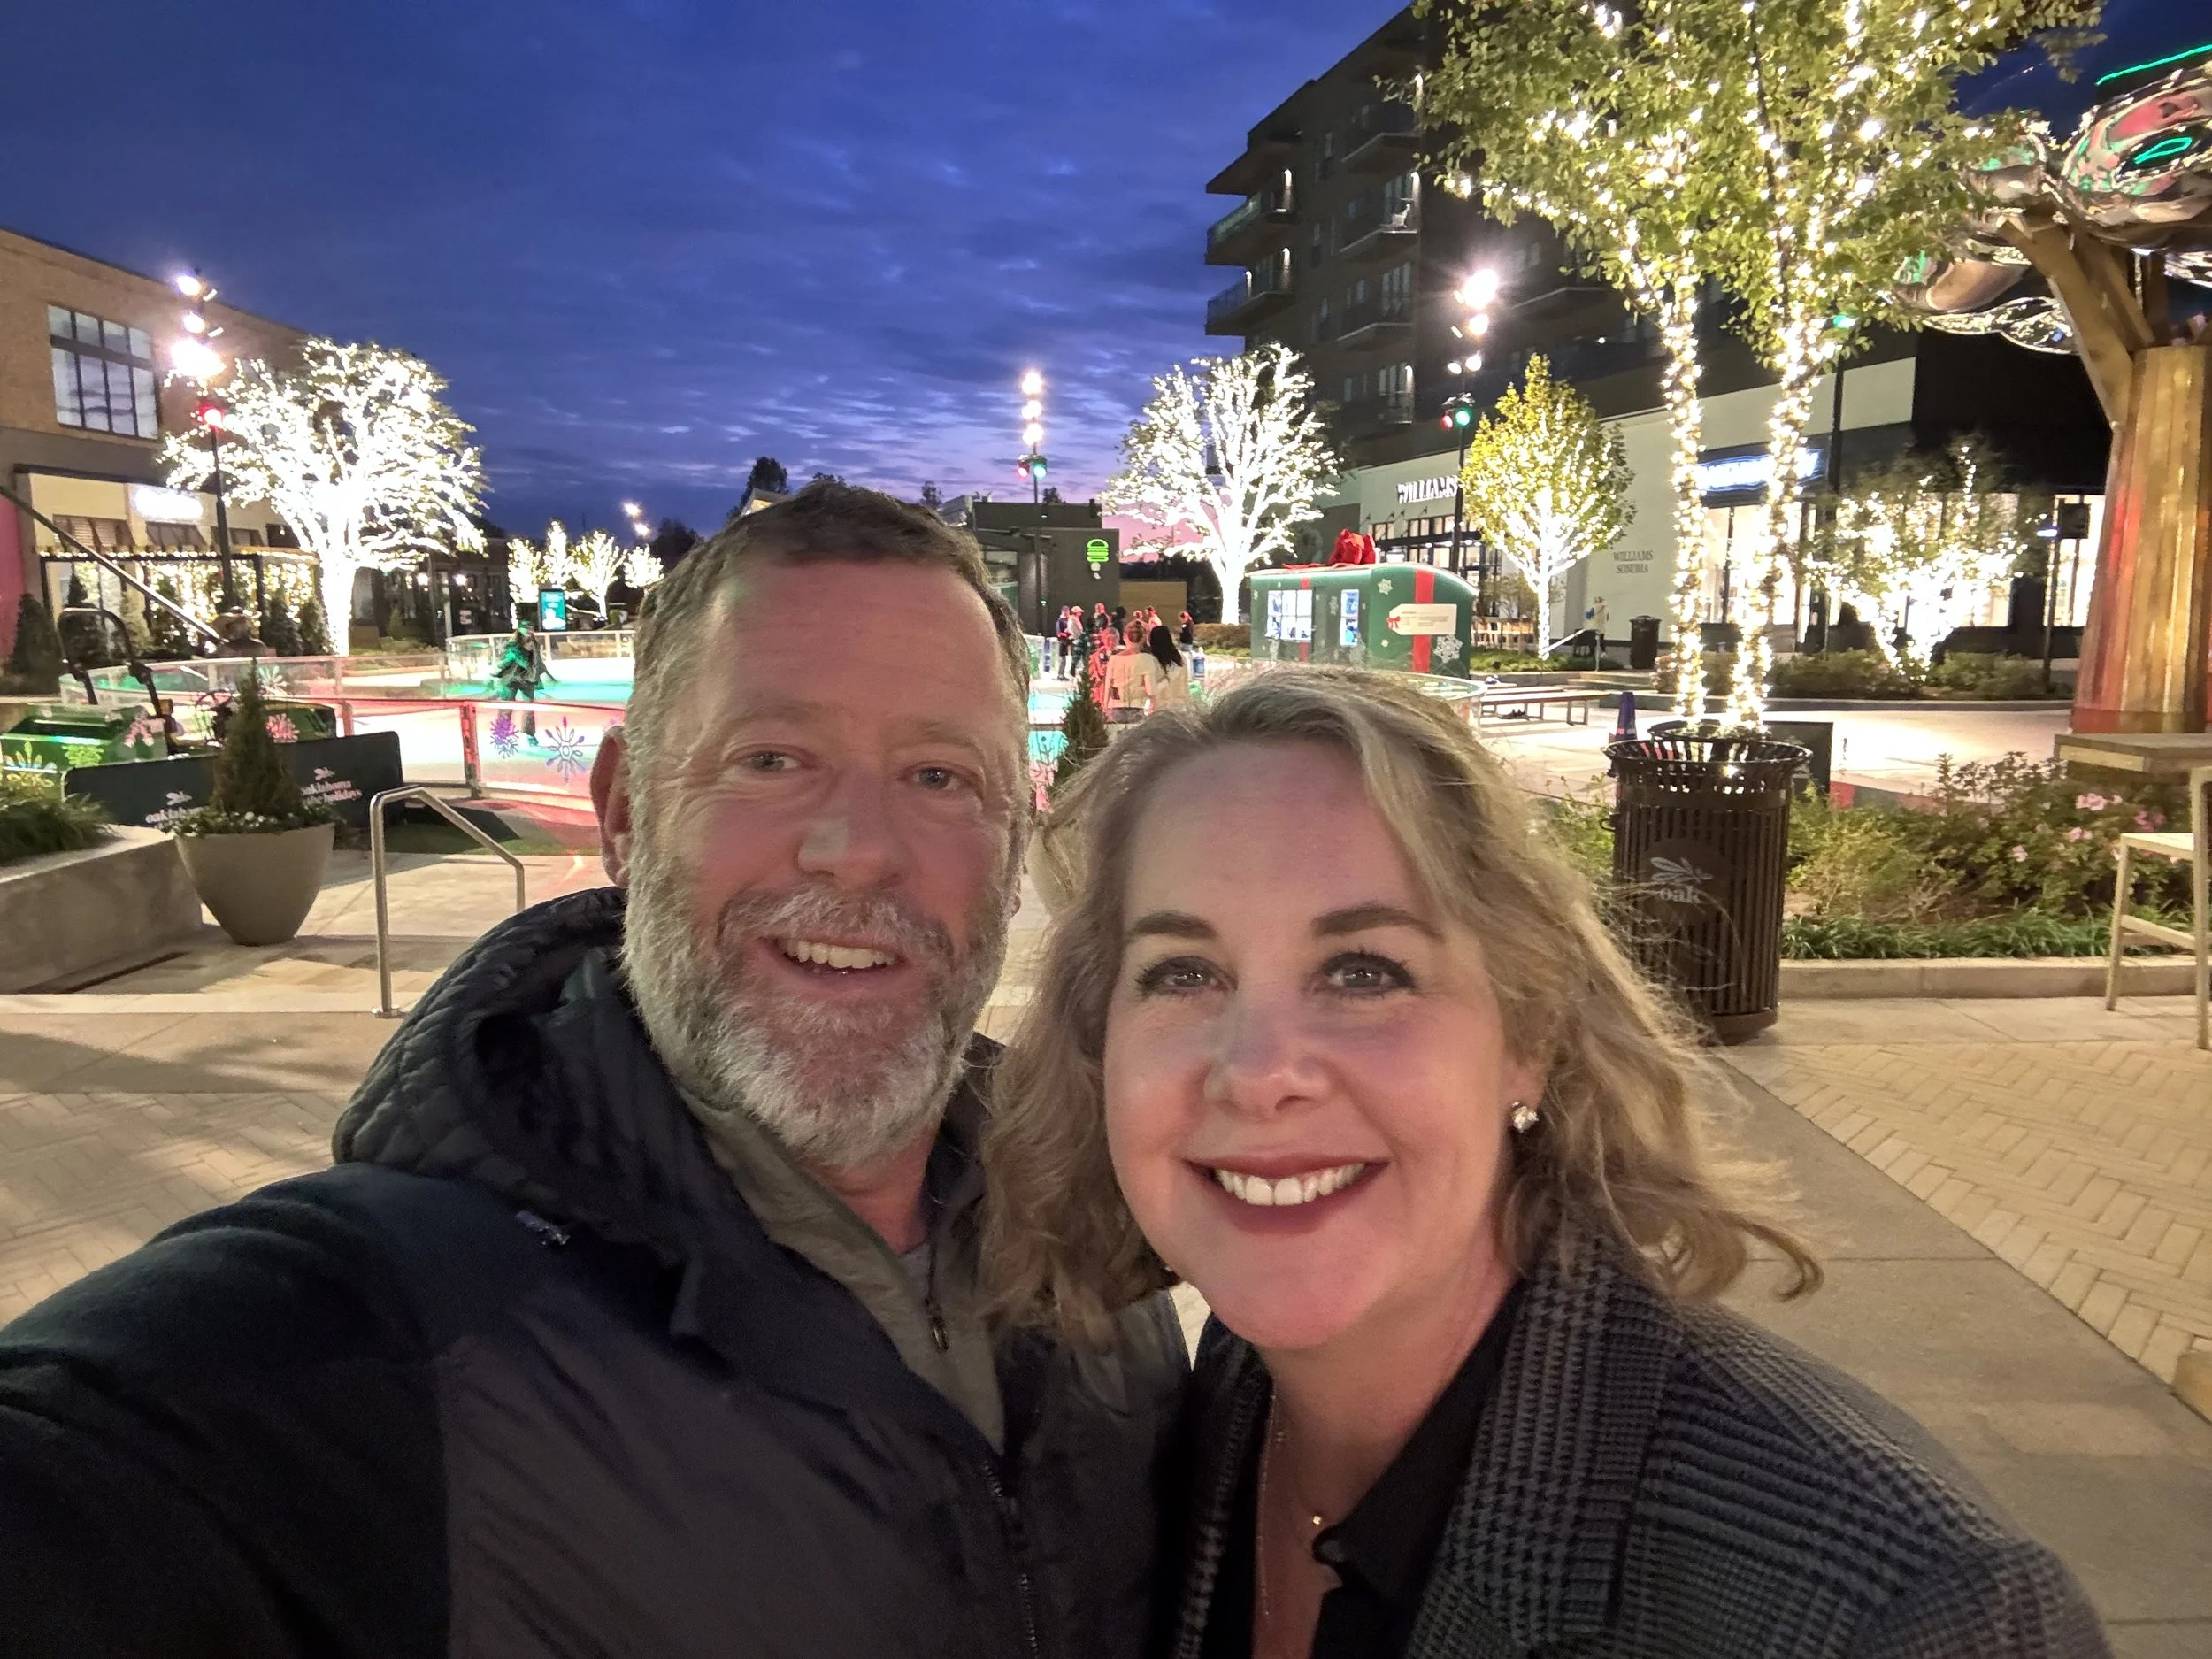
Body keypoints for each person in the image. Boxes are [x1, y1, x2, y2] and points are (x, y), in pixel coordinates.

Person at [0, 482, 1186, 1658]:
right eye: (772, 757)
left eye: (941, 776)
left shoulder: (1096, 1226)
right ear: (623, 814)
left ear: (1013, 841)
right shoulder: (371, 1335)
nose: (860, 847)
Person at [983, 666, 2108, 1659]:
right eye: (1183, 974)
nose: (1260, 1070)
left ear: (1528, 1036)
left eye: (1365, 970)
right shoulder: (1226, 1395)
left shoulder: (1903, 1606)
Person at [1133, 623, 1190, 714]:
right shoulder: (1180, 658)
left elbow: (1150, 690)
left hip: (1159, 709)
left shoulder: (1152, 660)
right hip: (1180, 707)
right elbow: (1186, 681)